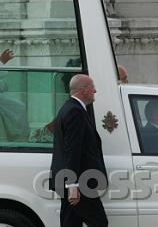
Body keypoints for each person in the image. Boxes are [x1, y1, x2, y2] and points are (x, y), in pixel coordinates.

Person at [49, 75, 107, 227]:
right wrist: (73, 184)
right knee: (99, 222)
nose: (95, 90)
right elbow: (72, 149)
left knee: (71, 222)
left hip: (71, 179)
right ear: (84, 90)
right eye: (92, 87)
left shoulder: (70, 108)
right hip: (79, 181)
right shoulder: (75, 111)